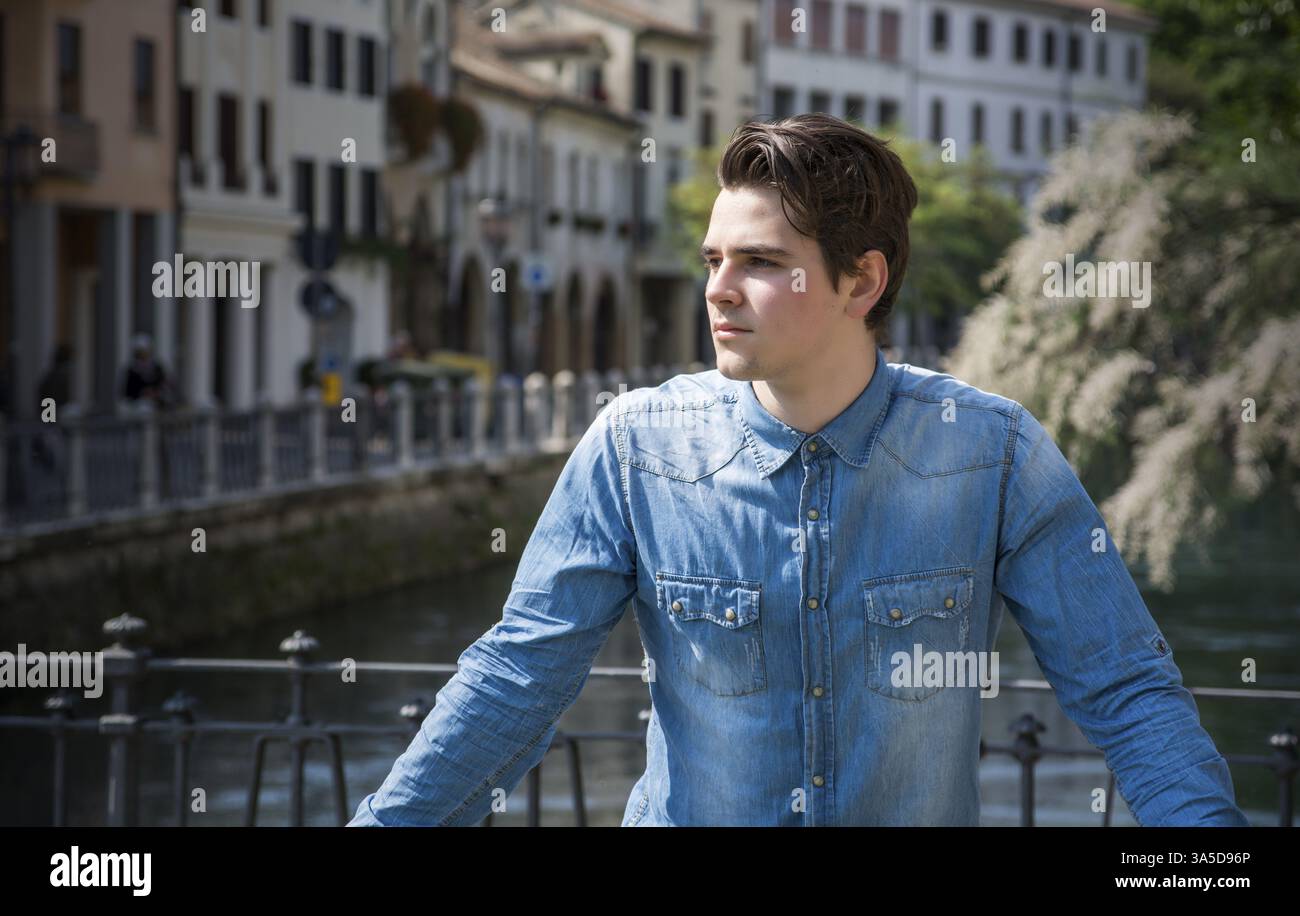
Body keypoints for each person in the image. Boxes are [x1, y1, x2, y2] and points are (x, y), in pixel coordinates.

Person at [348, 113, 1248, 827]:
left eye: (762, 263)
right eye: (714, 260)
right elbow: (520, 676)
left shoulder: (994, 453)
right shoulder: (635, 446)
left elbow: (1125, 690)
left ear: (861, 282)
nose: (719, 288)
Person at [122, 334, 172, 407]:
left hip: (157, 405)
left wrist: (156, 393)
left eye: (145, 351)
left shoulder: (157, 368)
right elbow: (127, 392)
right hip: (137, 406)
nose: (144, 355)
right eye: (140, 352)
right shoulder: (132, 370)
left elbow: (164, 384)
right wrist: (142, 393)